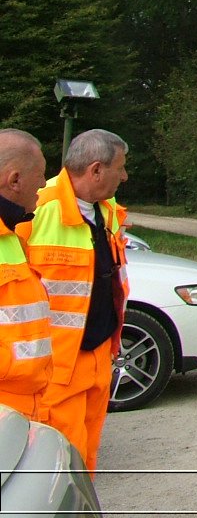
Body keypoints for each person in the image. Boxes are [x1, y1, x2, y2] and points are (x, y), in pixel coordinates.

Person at [17, 130, 130, 474]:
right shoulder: (37, 208)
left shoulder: (108, 211)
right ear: (96, 170)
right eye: (121, 168)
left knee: (87, 458)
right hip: (58, 367)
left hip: (98, 357)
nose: (124, 177)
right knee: (60, 466)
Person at [0, 129, 53, 419]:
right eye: (41, 174)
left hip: (26, 405)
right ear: (15, 179)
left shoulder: (11, 234)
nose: (44, 184)